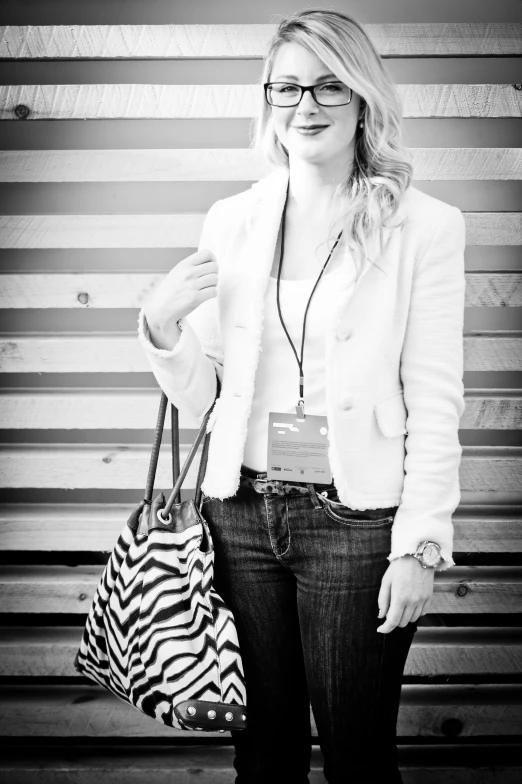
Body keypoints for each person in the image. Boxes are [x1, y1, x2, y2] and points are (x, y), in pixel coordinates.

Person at [137, 8, 466, 783]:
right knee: (263, 749)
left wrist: (421, 544)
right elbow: (208, 397)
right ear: (268, 100)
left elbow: (436, 398)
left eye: (328, 85)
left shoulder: (425, 226)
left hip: (354, 525)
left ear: (361, 100)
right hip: (241, 515)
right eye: (287, 87)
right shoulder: (233, 220)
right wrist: (160, 328)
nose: (306, 105)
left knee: (357, 753)